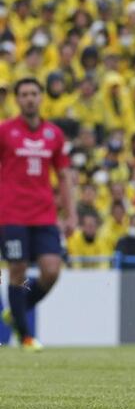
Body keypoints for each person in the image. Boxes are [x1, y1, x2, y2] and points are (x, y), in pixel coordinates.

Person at [0, 77, 76, 351]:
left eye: (34, 93)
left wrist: (71, 215)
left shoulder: (53, 134)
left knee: (52, 271)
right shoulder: (5, 131)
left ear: (41, 97)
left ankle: (16, 310)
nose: (29, 98)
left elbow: (64, 176)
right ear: (17, 99)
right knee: (17, 270)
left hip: (44, 214)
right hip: (11, 215)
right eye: (24, 94)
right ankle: (26, 336)